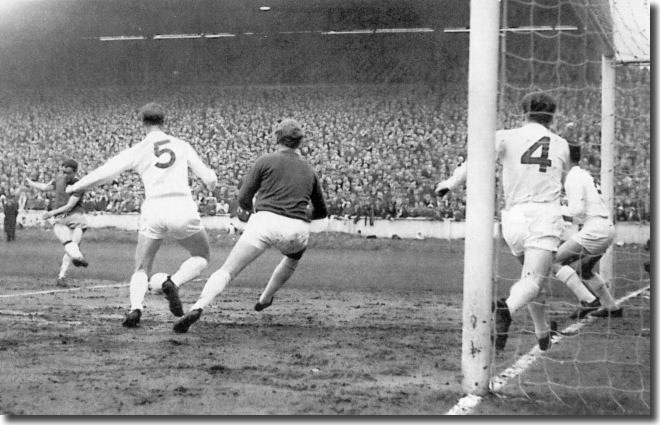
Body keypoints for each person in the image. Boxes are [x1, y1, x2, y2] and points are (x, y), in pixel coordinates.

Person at [435, 92, 570, 352]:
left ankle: (543, 333)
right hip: (543, 216)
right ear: (552, 116)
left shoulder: (505, 136)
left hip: (514, 219)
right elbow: (563, 183)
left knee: (529, 280)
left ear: (524, 113)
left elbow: (476, 161)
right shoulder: (561, 144)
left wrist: (450, 183)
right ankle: (504, 309)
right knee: (533, 282)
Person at [66, 102, 218, 328]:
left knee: (142, 267)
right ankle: (172, 282)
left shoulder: (139, 149)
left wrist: (75, 187)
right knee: (201, 256)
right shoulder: (182, 145)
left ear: (143, 122)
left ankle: (135, 308)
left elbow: (106, 172)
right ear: (164, 121)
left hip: (154, 207)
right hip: (182, 204)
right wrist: (211, 184)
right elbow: (210, 179)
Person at [173, 118, 328, 333]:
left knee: (227, 271)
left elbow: (244, 197)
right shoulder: (310, 171)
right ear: (300, 142)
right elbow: (321, 211)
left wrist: (248, 212)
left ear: (277, 138)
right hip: (296, 228)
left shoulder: (265, 161)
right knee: (292, 258)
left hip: (265, 221)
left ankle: (198, 306)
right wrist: (304, 213)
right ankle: (265, 298)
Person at [553, 144, 621, 318]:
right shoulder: (583, 174)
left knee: (552, 260)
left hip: (595, 230)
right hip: (605, 228)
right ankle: (612, 308)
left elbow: (577, 211)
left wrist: (556, 210)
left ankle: (588, 300)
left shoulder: (572, 178)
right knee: (585, 270)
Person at [26, 159, 89, 287]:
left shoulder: (79, 185)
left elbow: (69, 206)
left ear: (75, 172)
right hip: (61, 217)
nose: (65, 175)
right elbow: (44, 188)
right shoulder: (58, 180)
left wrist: (51, 213)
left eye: (68, 173)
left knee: (72, 246)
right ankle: (69, 267)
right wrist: (30, 183)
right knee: (71, 247)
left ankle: (62, 275)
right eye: (63, 172)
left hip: (75, 217)